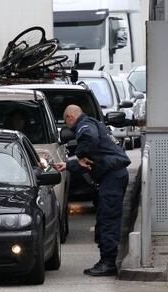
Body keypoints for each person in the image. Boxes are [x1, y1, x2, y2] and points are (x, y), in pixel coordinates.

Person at [53, 105, 130, 277]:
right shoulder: (94, 123)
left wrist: (79, 155)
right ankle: (106, 260)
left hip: (112, 177)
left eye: (67, 122)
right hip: (112, 175)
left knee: (108, 219)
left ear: (71, 116)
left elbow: (88, 139)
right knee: (104, 219)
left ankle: (108, 263)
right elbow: (91, 161)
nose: (70, 128)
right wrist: (68, 165)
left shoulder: (84, 125)